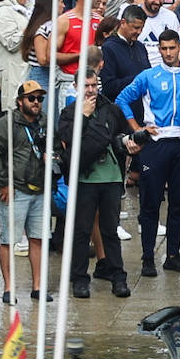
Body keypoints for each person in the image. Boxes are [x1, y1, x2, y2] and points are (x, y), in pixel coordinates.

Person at [115, 29, 180, 276]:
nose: (167, 53)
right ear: (158, 49)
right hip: (155, 145)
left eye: (171, 48)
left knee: (177, 203)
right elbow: (122, 99)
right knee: (150, 202)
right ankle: (147, 257)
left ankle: (173, 255)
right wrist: (138, 131)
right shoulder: (149, 76)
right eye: (163, 48)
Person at [58, 71, 142, 300]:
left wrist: (129, 144)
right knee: (81, 231)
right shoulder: (69, 113)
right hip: (84, 179)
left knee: (110, 231)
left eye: (94, 85)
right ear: (75, 86)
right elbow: (67, 142)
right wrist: (83, 117)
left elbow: (121, 135)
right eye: (85, 85)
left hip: (111, 177)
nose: (90, 90)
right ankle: (80, 278)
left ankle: (118, 277)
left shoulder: (111, 109)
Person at [0, 80, 51, 304]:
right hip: (15, 190)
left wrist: (55, 157)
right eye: (32, 98)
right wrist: (3, 183)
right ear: (20, 101)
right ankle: (9, 288)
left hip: (40, 189)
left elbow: (57, 147)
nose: (36, 103)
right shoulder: (7, 124)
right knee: (8, 241)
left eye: (40, 98)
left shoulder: (46, 122)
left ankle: (38, 287)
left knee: (38, 239)